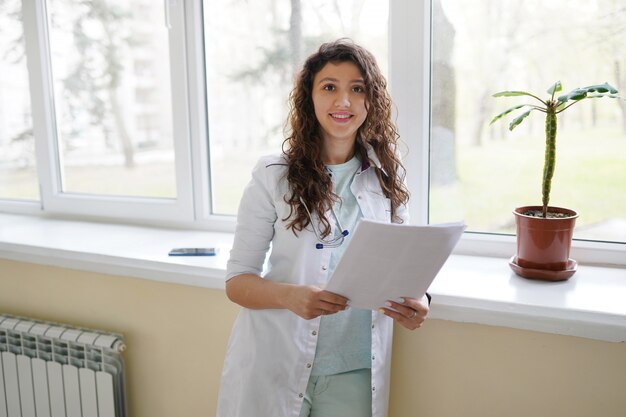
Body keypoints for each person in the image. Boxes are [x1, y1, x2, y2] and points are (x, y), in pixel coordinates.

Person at [216, 39, 430, 417]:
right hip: (275, 360)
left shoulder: (387, 179)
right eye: (329, 87)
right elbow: (237, 282)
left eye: (357, 89)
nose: (343, 102)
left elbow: (405, 265)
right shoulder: (272, 176)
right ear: (309, 97)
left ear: (371, 100)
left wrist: (420, 301)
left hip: (354, 371)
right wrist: (290, 297)